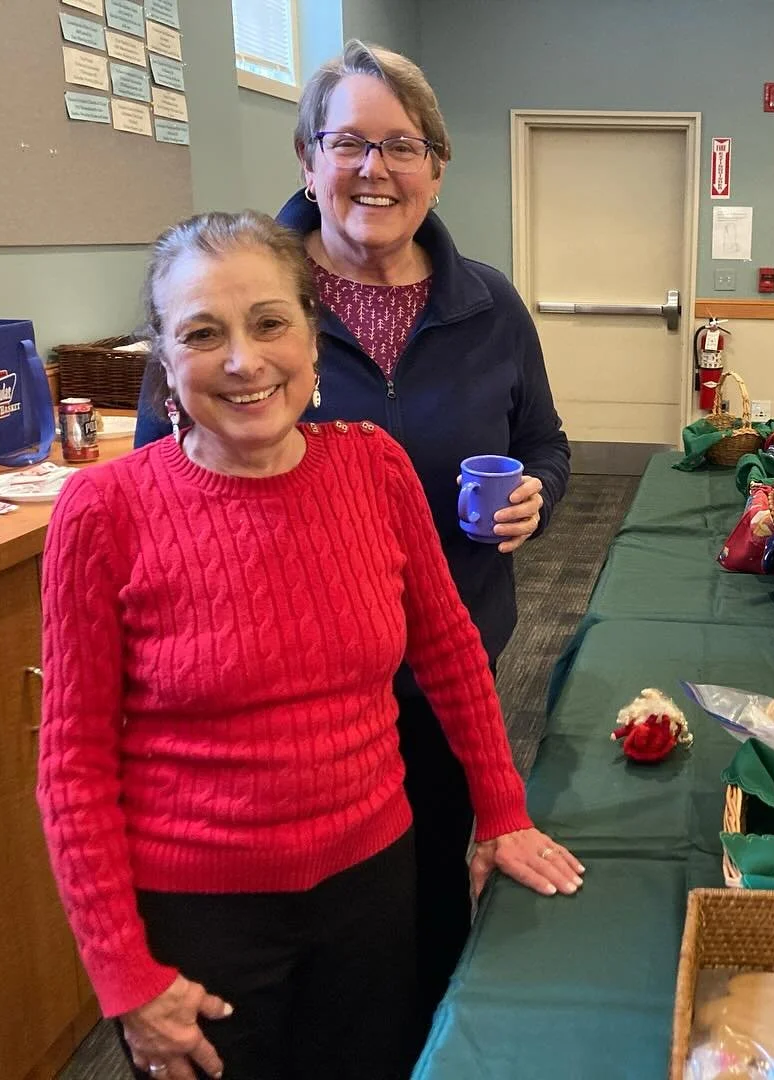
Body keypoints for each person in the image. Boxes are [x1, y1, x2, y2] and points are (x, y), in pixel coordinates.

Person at [44, 211, 582, 1080]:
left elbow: (449, 652)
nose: (244, 361)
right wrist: (122, 975)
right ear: (166, 366)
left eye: (269, 323)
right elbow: (71, 762)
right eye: (203, 334)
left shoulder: (374, 467)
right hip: (198, 919)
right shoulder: (103, 513)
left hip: (372, 885)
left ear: (312, 336)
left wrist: (502, 810)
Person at [133, 40, 571, 1025]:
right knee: (258, 985)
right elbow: (154, 490)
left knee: (408, 935)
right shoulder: (242, 298)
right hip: (270, 709)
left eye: (404, 145)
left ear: (438, 167)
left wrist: (535, 493)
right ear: (305, 159)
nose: (376, 169)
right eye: (349, 143)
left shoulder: (489, 304)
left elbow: (544, 441)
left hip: (445, 663)